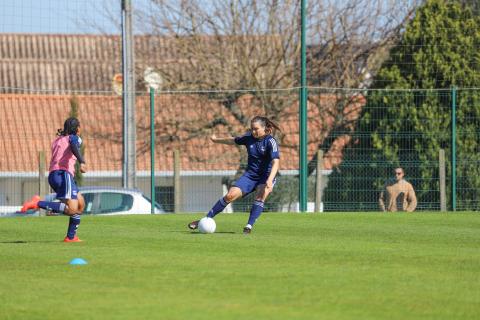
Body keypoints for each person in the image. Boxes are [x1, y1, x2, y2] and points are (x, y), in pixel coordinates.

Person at [188, 116, 281, 234]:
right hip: (250, 175)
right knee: (230, 196)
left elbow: (276, 163)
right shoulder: (249, 138)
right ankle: (206, 219)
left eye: (256, 129)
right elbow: (232, 140)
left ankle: (248, 226)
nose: (253, 131)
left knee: (260, 196)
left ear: (264, 128)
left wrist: (270, 180)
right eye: (252, 129)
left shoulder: (270, 141)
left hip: (266, 176)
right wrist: (216, 140)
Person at [21, 117, 87, 242]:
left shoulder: (57, 140)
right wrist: (82, 162)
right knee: (72, 209)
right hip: (63, 174)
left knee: (80, 204)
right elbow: (73, 144)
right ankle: (38, 203)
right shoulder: (74, 138)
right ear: (77, 129)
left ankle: (71, 237)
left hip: (55, 175)